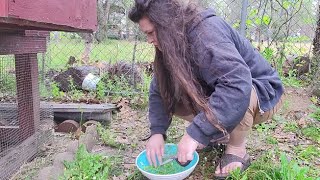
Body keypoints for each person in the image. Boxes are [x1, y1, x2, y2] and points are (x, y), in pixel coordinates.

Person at [129, 0, 284, 178]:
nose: (149, 40)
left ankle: (236, 149)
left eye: (151, 33)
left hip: (263, 92)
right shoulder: (171, 40)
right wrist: (157, 132)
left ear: (167, 24)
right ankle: (218, 133)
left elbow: (236, 86)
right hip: (226, 89)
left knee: (239, 92)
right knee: (176, 97)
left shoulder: (206, 33)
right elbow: (160, 88)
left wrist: (194, 134)